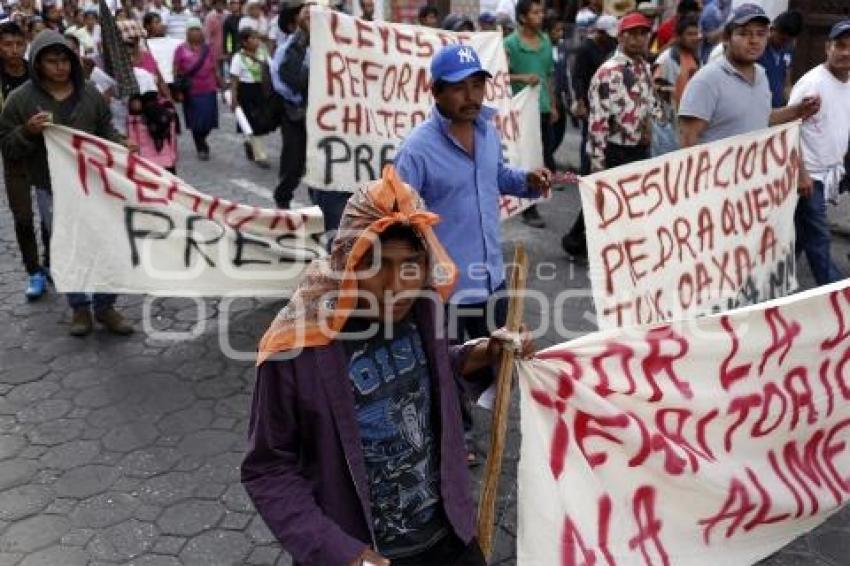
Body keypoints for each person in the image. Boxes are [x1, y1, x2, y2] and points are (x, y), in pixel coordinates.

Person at [243, 169, 534, 566]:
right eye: (378, 264)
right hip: (361, 551)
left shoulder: (424, 309)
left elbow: (425, 377)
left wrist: (479, 355)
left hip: (448, 535)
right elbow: (269, 468)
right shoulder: (296, 346)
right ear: (349, 259)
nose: (397, 284)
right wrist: (340, 553)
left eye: (412, 263)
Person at [0, 30, 134, 336]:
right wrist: (28, 132)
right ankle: (79, 309)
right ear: (37, 63)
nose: (59, 67)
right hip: (51, 188)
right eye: (51, 61)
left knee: (105, 244)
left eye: (64, 60)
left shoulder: (89, 93)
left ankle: (105, 307)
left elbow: (105, 130)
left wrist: (121, 145)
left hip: (96, 185)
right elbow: (6, 143)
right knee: (69, 247)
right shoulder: (21, 99)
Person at [679, 3, 820, 148]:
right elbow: (688, 140)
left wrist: (797, 110)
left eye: (760, 34)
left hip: (751, 169)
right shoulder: (707, 80)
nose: (754, 40)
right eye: (744, 33)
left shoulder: (761, 75)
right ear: (727, 37)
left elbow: (761, 118)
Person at [787, 20, 850, 286]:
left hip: (829, 172)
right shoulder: (811, 84)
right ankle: (838, 296)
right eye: (840, 45)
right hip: (809, 175)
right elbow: (788, 132)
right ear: (828, 48)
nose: (846, 52)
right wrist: (802, 174)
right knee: (819, 239)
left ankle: (774, 284)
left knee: (802, 235)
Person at [0, 21, 46, 300]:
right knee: (23, 217)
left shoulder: (38, 73)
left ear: (26, 43)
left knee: (51, 215)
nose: (13, 50)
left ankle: (52, 262)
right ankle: (34, 271)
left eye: (18, 44)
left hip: (43, 152)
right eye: (7, 44)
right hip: (13, 154)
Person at [586, 12, 661, 173]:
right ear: (620, 37)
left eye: (643, 33)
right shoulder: (608, 72)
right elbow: (598, 121)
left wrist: (652, 124)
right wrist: (597, 162)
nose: (638, 39)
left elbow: (652, 105)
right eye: (632, 33)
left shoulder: (645, 68)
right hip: (616, 151)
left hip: (642, 150)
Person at [504, 0, 556, 228]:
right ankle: (529, 208)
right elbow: (499, 76)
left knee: (541, 157)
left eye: (542, 12)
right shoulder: (510, 44)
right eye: (535, 12)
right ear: (523, 17)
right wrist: (522, 78)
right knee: (526, 159)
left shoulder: (545, 42)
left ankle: (528, 198)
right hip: (521, 113)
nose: (541, 16)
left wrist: (554, 105)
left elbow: (550, 75)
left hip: (542, 109)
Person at [271, 0, 309, 208]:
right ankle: (283, 198)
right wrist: (303, 98)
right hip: (295, 113)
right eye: (305, 13)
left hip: (320, 114)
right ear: (293, 23)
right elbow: (283, 84)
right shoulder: (286, 50)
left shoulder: (323, 45)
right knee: (294, 162)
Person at [175, 16, 222, 160]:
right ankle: (201, 146)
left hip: (208, 88)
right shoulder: (180, 49)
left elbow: (214, 67)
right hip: (191, 91)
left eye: (198, 29)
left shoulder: (207, 49)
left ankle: (203, 138)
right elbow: (176, 70)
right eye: (192, 30)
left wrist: (220, 82)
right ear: (187, 32)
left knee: (208, 120)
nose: (196, 33)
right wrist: (178, 90)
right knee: (196, 121)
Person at [229, 28, 270, 167]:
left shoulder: (262, 53)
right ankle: (260, 156)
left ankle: (248, 142)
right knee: (253, 123)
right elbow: (234, 79)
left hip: (261, 90)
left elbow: (270, 68)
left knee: (260, 122)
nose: (256, 41)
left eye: (257, 38)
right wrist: (234, 98)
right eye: (252, 38)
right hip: (246, 90)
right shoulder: (238, 57)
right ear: (244, 42)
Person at [653, 13, 700, 110]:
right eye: (690, 34)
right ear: (679, 36)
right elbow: (659, 95)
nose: (694, 38)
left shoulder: (695, 57)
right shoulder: (667, 59)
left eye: (696, 34)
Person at [758, 10, 803, 108]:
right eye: (782, 39)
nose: (785, 44)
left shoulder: (787, 50)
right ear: (772, 29)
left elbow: (786, 83)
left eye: (790, 40)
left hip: (778, 109)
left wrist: (792, 105)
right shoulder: (757, 50)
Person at [203, 0, 226, 79]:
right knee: (216, 71)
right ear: (214, 4)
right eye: (218, 3)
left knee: (225, 71)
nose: (220, 5)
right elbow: (207, 35)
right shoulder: (210, 17)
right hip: (214, 48)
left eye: (222, 3)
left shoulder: (227, 15)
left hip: (226, 48)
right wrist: (208, 49)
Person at [222, 0, 242, 76]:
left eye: (236, 3)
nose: (234, 5)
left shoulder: (244, 18)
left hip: (245, 49)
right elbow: (226, 38)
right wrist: (227, 52)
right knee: (234, 73)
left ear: (239, 5)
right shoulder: (227, 20)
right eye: (232, 3)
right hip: (233, 51)